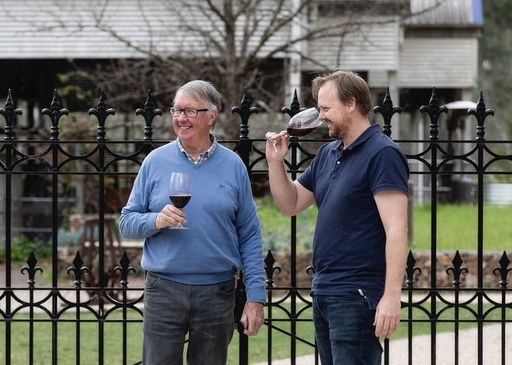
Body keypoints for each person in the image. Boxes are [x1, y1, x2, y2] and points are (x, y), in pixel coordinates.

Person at [265, 69, 409, 364]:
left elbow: (397, 228)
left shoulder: (382, 154)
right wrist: (276, 163)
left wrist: (391, 296)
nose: (321, 117)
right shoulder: (328, 154)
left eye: (326, 109)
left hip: (357, 295)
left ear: (351, 104)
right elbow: (289, 204)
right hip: (325, 291)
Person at [119, 80, 265, 364]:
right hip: (163, 291)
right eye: (176, 110)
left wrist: (255, 298)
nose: (180, 118)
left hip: (217, 293)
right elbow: (126, 222)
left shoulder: (234, 165)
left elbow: (249, 234)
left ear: (212, 116)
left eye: (189, 111)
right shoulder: (155, 161)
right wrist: (156, 220)